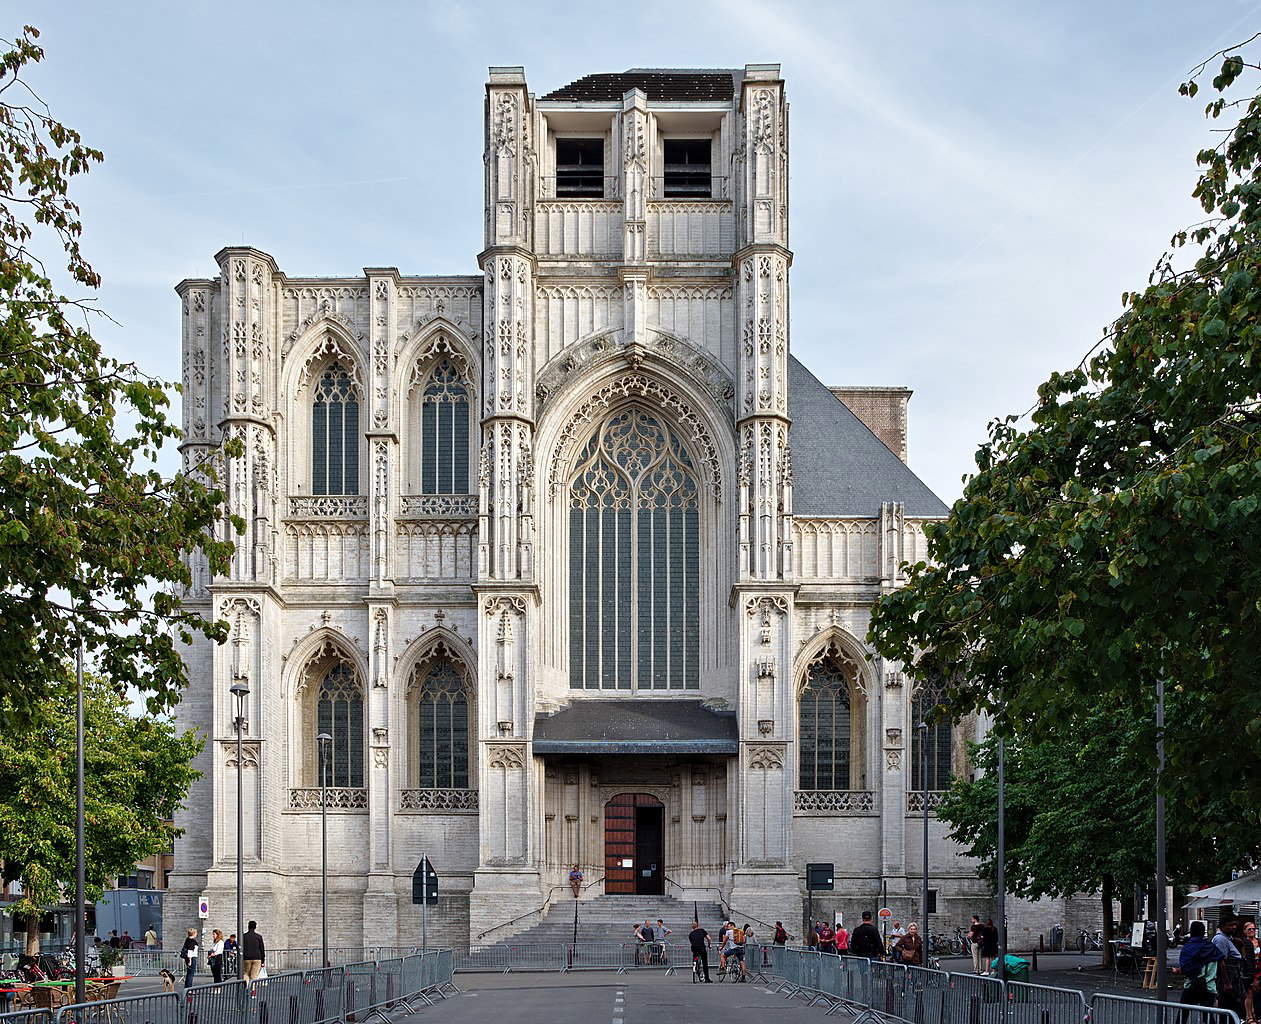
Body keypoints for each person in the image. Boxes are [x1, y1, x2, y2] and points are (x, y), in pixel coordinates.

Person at [1179, 921, 1223, 1009]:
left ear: (1191, 931)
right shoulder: (1211, 948)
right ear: (1203, 932)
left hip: (1190, 985)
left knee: (1183, 1015)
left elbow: (1185, 967)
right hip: (1209, 986)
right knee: (1208, 1016)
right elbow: (1221, 963)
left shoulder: (1187, 948)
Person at [1215, 916, 1246, 1014]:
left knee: (1236, 1007)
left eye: (1235, 924)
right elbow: (1221, 962)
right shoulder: (1220, 939)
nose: (1234, 927)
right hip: (1228, 978)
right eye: (1230, 925)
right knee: (1229, 1008)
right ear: (1223, 926)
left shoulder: (1228, 938)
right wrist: (1227, 983)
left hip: (1235, 977)